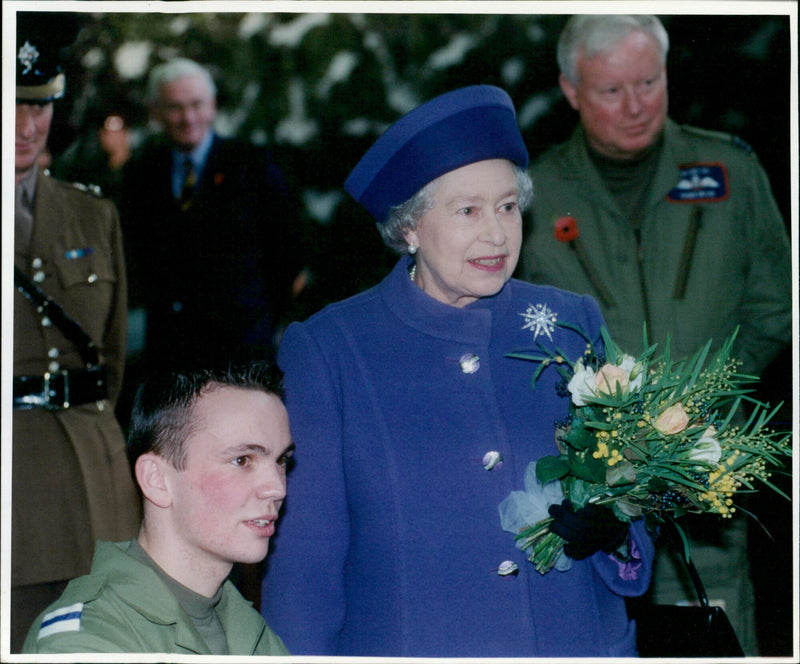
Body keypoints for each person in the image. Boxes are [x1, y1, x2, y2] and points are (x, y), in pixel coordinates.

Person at [260, 85, 655, 657]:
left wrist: (618, 528)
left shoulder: (572, 323)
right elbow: (305, 569)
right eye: (468, 210)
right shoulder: (330, 351)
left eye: (508, 207)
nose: (496, 233)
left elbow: (636, 492)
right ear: (410, 228)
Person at [517, 15, 792, 655]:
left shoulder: (729, 171)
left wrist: (700, 403)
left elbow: (776, 308)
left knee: (713, 629)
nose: (637, 105)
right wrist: (589, 429)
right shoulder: (531, 194)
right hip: (586, 493)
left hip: (708, 475)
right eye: (613, 90)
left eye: (650, 81)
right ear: (570, 90)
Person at [11, 13, 140, 653]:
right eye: (10, 106)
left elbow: (111, 360)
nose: (26, 126)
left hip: (97, 485)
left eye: (39, 106)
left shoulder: (94, 214)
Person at [23, 363, 293, 655]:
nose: (278, 488)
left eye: (281, 460)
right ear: (157, 480)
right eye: (242, 460)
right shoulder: (85, 642)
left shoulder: (250, 631)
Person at [118, 57, 307, 381]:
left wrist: (259, 317)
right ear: (157, 111)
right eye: (175, 107)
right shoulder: (141, 173)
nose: (187, 117)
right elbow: (133, 257)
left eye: (196, 104)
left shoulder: (252, 164)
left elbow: (288, 252)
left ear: (212, 106)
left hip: (242, 351)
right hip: (170, 355)